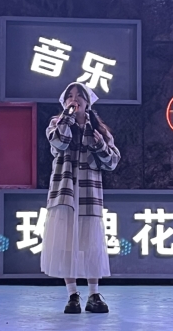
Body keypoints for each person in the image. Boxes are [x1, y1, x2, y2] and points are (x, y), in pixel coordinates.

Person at [41, 81, 121, 314]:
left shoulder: (98, 130)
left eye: (79, 96)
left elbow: (112, 162)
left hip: (89, 194)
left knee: (91, 243)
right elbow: (59, 142)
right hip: (64, 192)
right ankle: (72, 294)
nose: (74, 99)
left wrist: (99, 145)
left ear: (88, 102)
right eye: (70, 96)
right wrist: (67, 118)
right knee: (66, 245)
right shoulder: (57, 123)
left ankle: (94, 294)